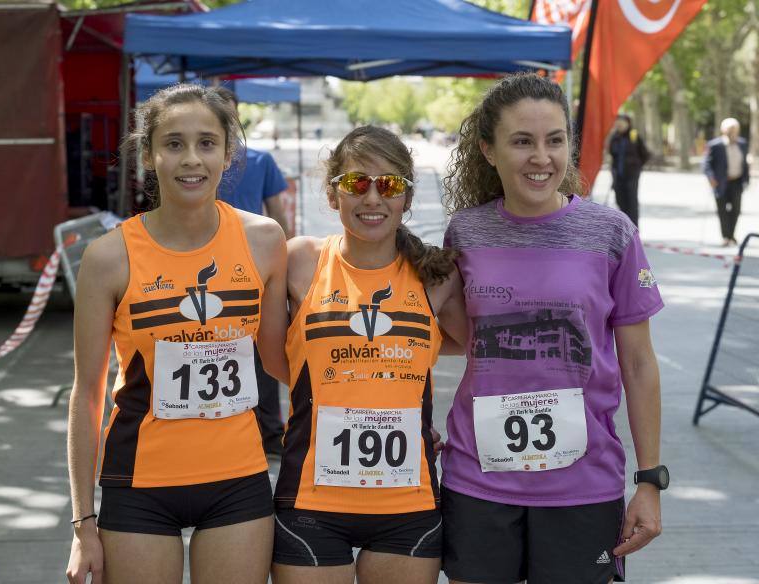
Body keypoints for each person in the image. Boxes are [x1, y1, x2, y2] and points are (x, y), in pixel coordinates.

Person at [440, 73, 666, 584]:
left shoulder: (611, 233)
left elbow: (637, 363)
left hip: (583, 486)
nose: (541, 157)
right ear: (489, 151)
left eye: (555, 140)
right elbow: (458, 341)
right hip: (477, 480)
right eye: (522, 141)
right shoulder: (465, 231)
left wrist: (650, 480)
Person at [65, 83, 288, 584]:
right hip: (140, 482)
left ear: (229, 154)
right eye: (173, 143)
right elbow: (87, 394)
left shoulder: (264, 241)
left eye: (207, 143)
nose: (192, 159)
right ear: (148, 153)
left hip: (237, 480)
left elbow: (279, 361)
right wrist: (83, 525)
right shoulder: (108, 257)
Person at [272, 126, 466, 584]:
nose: (373, 198)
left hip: (407, 503)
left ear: (408, 198)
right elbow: (272, 356)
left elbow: (479, 349)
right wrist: (339, 389)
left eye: (390, 185)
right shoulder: (299, 260)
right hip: (311, 500)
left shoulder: (437, 277)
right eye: (357, 183)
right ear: (334, 193)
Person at [217, 87, 290, 456]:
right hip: (222, 268)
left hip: (252, 266)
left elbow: (279, 215)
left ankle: (267, 427)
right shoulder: (255, 161)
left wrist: (283, 259)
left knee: (260, 349)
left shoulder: (260, 161)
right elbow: (280, 214)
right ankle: (264, 429)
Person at [703, 117, 749, 247]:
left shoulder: (742, 143)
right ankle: (725, 237)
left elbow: (744, 163)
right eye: (729, 129)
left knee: (735, 210)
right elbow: (706, 164)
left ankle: (731, 235)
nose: (732, 132)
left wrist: (746, 179)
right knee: (722, 211)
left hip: (737, 182)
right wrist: (711, 179)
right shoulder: (714, 145)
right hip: (721, 183)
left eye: (734, 130)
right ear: (723, 130)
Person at [608, 113, 650, 227]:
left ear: (628, 123)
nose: (619, 124)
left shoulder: (634, 135)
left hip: (631, 175)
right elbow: (611, 153)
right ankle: (623, 229)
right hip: (618, 175)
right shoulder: (614, 137)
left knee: (632, 203)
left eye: (622, 122)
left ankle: (633, 230)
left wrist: (636, 166)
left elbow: (645, 154)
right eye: (618, 122)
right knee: (620, 201)